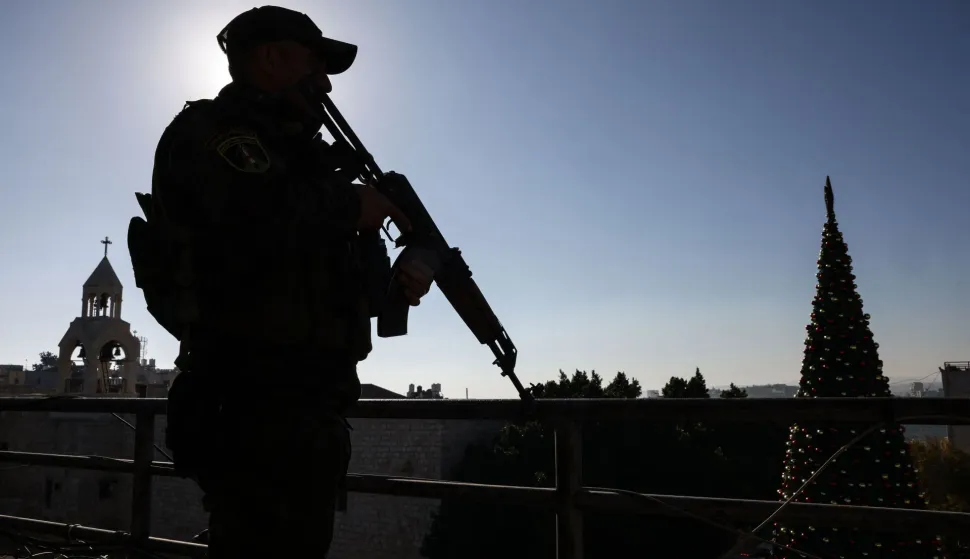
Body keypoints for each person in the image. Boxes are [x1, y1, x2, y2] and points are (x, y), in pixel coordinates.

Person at [147, 6, 434, 557]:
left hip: (303, 411)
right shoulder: (215, 134)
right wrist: (353, 204)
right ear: (272, 57)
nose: (325, 82)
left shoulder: (303, 160)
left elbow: (320, 274)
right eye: (316, 62)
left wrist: (398, 284)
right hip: (250, 404)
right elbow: (253, 217)